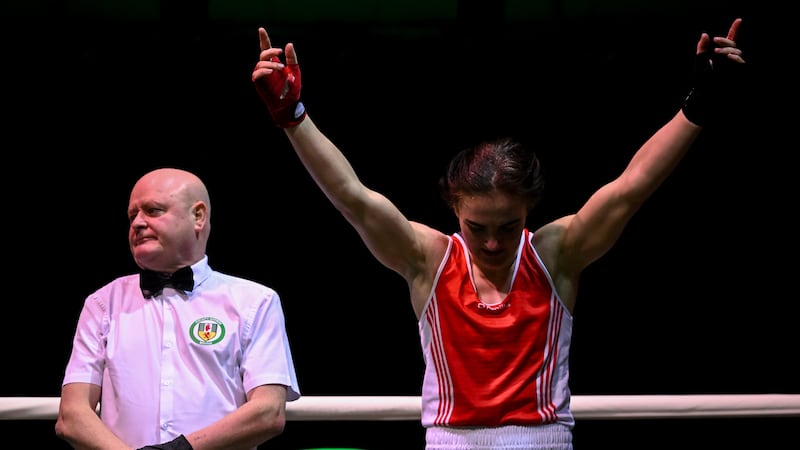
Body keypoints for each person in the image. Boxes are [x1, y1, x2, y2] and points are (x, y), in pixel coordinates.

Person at [251, 17, 744, 450]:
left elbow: (632, 186)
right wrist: (292, 117)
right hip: (449, 442)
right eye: (476, 227)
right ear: (454, 210)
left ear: (529, 208)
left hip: (545, 441)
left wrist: (698, 106)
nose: (491, 243)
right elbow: (351, 196)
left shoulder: (557, 253)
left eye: (508, 227)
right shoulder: (428, 258)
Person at [55, 168, 301, 450]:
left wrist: (181, 449)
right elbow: (72, 416)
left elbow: (268, 412)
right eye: (132, 215)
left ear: (198, 216)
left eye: (152, 211)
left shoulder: (255, 301)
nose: (137, 223)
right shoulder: (102, 304)